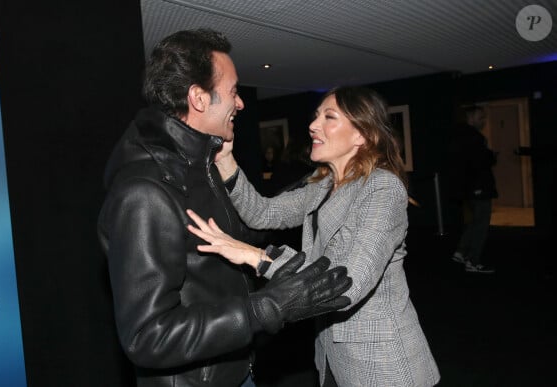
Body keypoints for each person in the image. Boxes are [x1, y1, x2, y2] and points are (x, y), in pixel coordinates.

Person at [96, 28, 353, 387]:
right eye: (233, 92)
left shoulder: (200, 164)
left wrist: (269, 261)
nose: (241, 103)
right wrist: (267, 307)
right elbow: (147, 337)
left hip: (230, 368)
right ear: (199, 99)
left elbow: (233, 241)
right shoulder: (145, 191)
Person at [187, 86, 440, 387]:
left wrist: (257, 257)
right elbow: (262, 213)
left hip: (382, 362)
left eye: (329, 117)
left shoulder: (382, 189)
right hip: (332, 354)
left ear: (362, 135)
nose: (313, 125)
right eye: (316, 115)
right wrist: (226, 161)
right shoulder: (322, 186)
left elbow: (348, 282)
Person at [447, 105, 497, 273]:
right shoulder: (474, 137)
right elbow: (479, 163)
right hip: (478, 187)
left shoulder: (458, 135)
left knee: (474, 221)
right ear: (471, 117)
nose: (483, 121)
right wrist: (490, 155)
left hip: (468, 187)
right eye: (480, 117)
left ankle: (461, 252)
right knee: (481, 223)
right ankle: (473, 261)